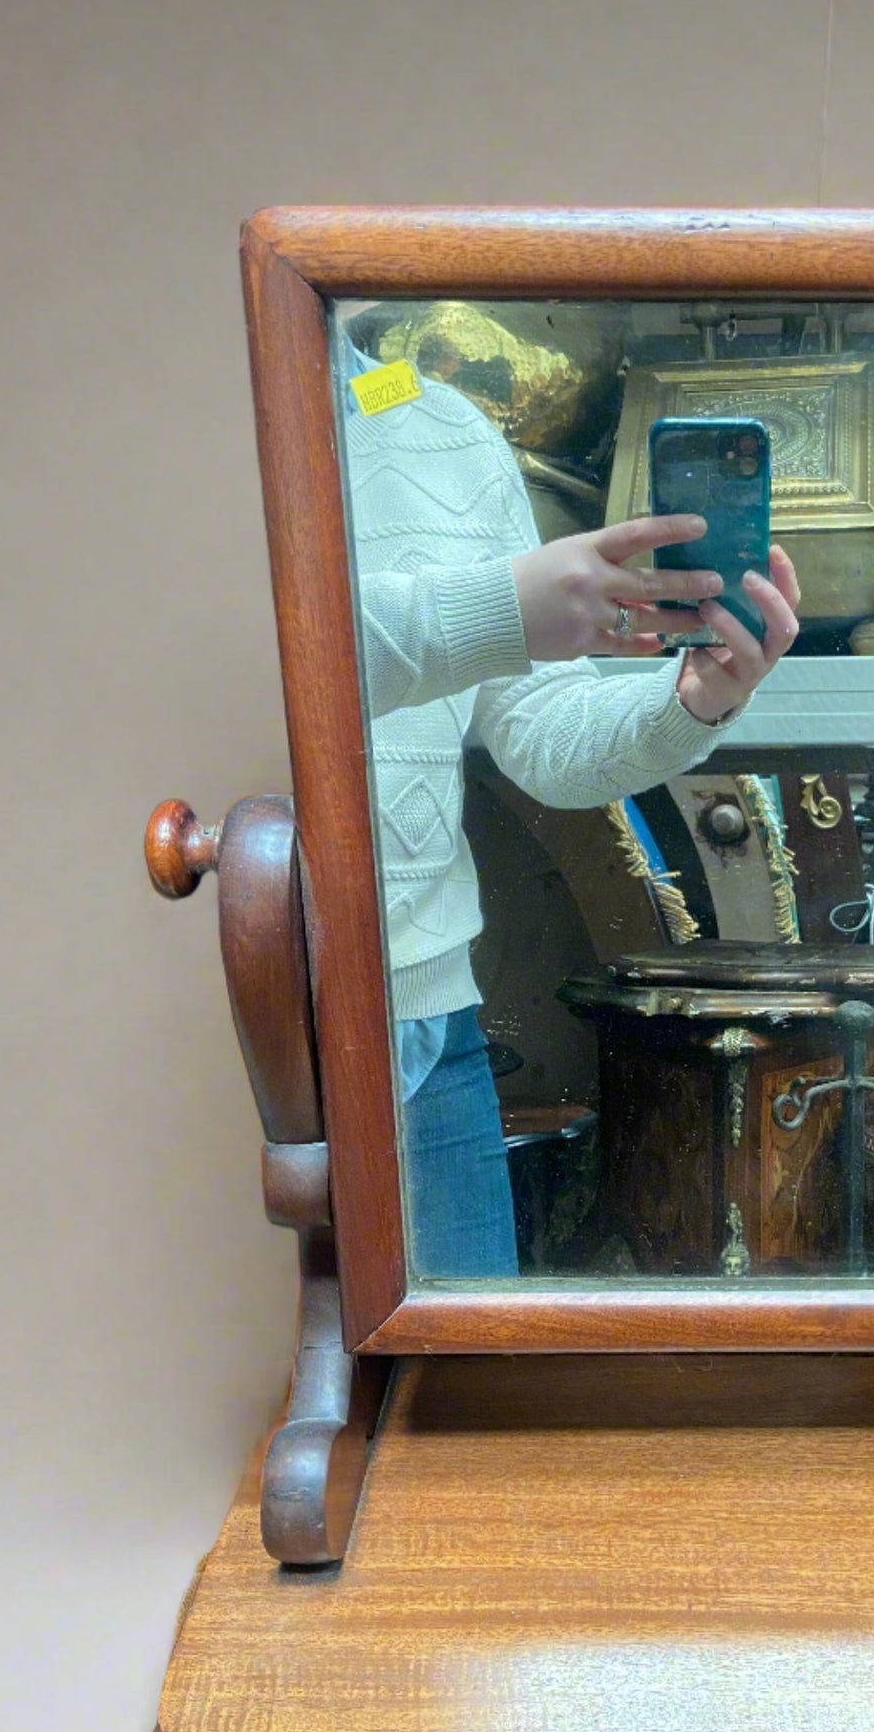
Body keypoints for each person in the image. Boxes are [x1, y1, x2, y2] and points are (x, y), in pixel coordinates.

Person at [339, 331, 800, 1278]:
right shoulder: (185, 414)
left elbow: (538, 731)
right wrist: (503, 610)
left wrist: (696, 699)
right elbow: (232, 652)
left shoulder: (444, 425)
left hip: (430, 1020)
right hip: (222, 1000)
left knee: (464, 1408)